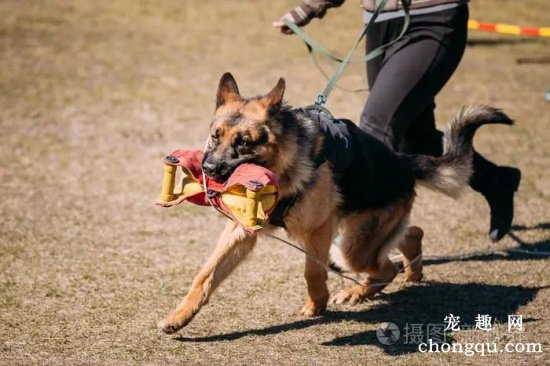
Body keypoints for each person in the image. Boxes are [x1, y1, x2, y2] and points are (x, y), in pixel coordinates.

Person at [273, 0, 521, 242]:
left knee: (377, 128)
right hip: (379, 21)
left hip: (434, 18)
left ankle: (362, 236)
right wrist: (308, 8)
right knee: (416, 137)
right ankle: (496, 181)